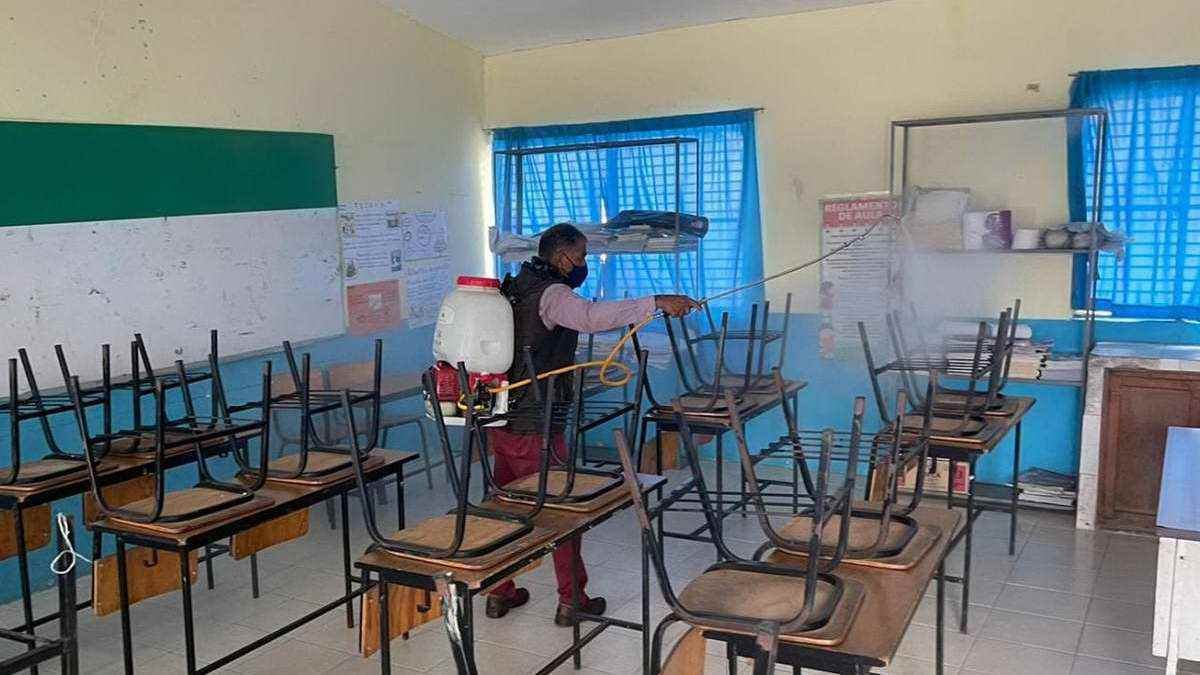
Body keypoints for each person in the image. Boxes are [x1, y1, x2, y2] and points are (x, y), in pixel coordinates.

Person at [486, 222, 699, 625]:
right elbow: (589, 317)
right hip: (535, 422)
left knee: (505, 507)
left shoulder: (515, 286)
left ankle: (499, 592)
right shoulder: (552, 294)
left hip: (502, 417)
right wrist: (656, 301)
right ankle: (572, 600)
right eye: (582, 255)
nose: (584, 263)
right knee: (561, 511)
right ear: (563, 256)